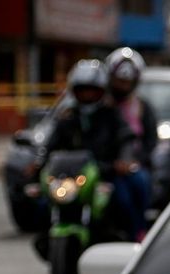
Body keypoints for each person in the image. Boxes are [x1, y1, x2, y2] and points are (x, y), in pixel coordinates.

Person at [30, 60, 138, 249]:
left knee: (123, 200)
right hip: (71, 177)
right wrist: (38, 164)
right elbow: (50, 145)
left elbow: (126, 138)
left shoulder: (111, 114)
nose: (87, 95)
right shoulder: (68, 117)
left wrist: (124, 160)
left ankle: (132, 243)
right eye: (82, 90)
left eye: (92, 90)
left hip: (105, 174)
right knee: (40, 203)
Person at [105, 47, 157, 241]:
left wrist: (134, 162)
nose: (122, 85)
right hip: (106, 166)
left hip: (133, 167)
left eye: (127, 81)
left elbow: (150, 142)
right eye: (119, 80)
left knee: (137, 188)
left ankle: (138, 232)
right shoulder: (102, 107)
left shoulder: (143, 108)